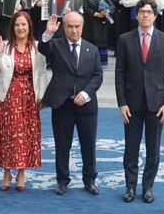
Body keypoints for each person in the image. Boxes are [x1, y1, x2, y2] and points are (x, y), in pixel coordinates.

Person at [115, 0, 164, 203]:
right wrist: (121, 103)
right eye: (141, 11)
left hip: (157, 104)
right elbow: (120, 74)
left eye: (148, 12)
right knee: (130, 148)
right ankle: (130, 187)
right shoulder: (124, 39)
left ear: (155, 15)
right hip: (131, 105)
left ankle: (148, 187)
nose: (145, 15)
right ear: (136, 15)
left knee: (153, 148)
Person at [38, 12, 103, 195]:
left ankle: (89, 179)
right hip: (62, 105)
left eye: (77, 26)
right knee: (62, 144)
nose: (74, 30)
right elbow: (43, 48)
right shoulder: (56, 45)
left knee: (88, 144)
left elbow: (97, 76)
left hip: (86, 105)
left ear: (82, 27)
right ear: (64, 27)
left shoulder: (92, 49)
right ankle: (62, 181)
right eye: (69, 26)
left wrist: (85, 94)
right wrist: (48, 33)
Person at [0, 11, 47, 192]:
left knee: (26, 135)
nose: (20, 28)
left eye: (24, 24)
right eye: (17, 25)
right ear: (12, 28)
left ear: (29, 26)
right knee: (8, 135)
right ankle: (6, 172)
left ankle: (21, 172)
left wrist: (42, 97)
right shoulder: (5, 47)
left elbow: (42, 74)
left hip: (30, 97)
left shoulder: (37, 47)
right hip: (8, 97)